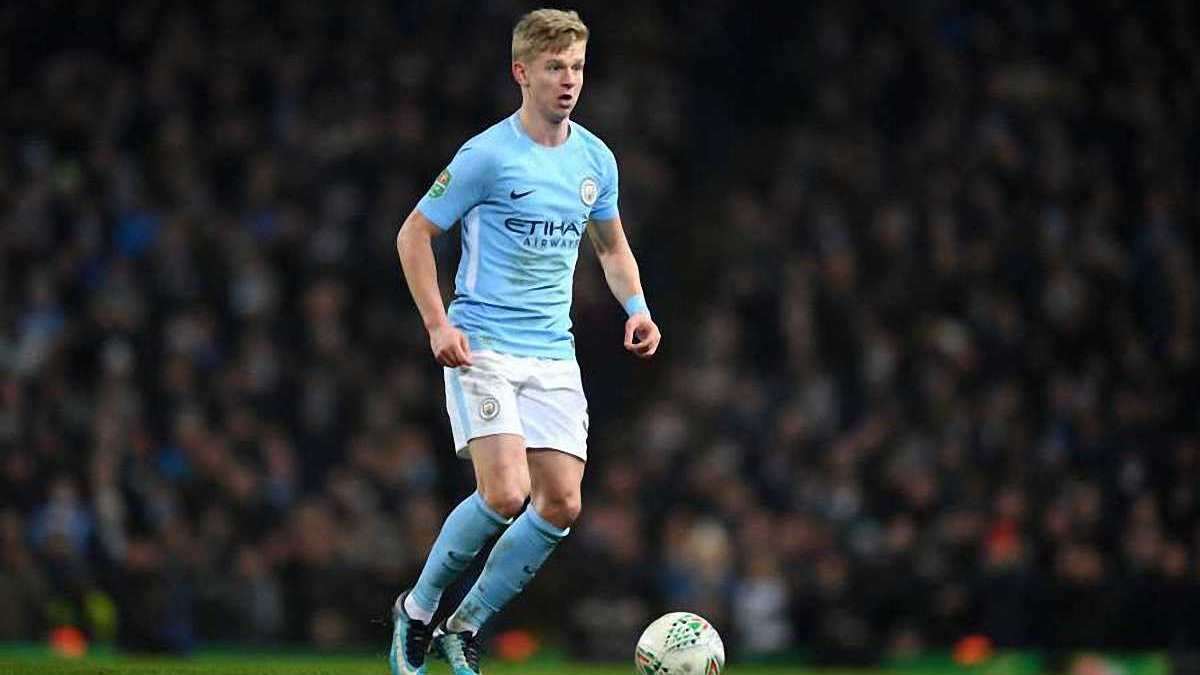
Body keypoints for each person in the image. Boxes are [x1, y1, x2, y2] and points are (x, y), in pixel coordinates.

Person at [390, 9, 661, 675]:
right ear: (522, 73)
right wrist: (438, 324)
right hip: (483, 343)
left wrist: (637, 308)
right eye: (554, 67)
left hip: (552, 351)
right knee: (506, 492)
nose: (569, 80)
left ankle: (463, 626)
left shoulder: (595, 159)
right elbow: (414, 234)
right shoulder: (486, 156)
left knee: (562, 503)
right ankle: (417, 610)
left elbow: (611, 246)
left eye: (577, 67)